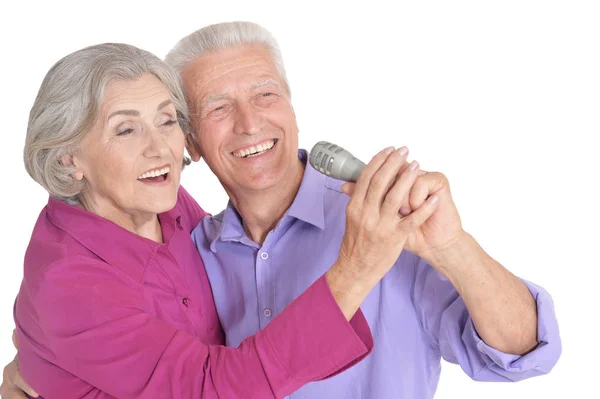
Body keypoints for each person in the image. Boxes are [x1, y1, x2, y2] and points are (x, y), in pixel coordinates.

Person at [0, 42, 440, 399]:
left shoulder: (163, 204)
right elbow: (214, 388)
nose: (161, 149)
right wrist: (358, 267)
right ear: (68, 159)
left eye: (166, 121)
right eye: (126, 130)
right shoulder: (69, 282)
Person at [167, 22, 561, 398]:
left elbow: (522, 352)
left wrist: (452, 247)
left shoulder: (387, 222)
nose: (250, 123)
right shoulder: (190, 256)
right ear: (191, 143)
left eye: (265, 95)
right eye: (219, 108)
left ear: (290, 105)